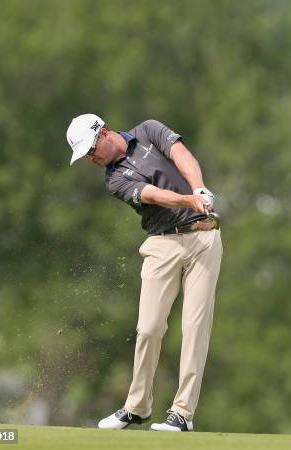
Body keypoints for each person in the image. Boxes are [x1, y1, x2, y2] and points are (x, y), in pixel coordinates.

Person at [66, 113, 223, 432]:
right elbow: (150, 194)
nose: (91, 159)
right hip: (161, 245)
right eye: (85, 156)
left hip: (204, 237)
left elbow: (181, 154)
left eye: (91, 150)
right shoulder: (114, 180)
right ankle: (137, 407)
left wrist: (200, 188)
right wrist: (188, 199)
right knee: (149, 328)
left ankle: (182, 414)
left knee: (195, 327)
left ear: (105, 133)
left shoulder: (149, 131)